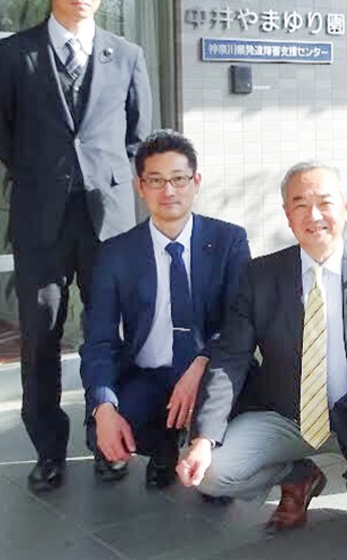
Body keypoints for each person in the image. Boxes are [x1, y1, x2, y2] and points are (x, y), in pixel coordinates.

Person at [178, 163, 347, 533]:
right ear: (287, 214)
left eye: (324, 203)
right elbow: (230, 360)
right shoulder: (259, 276)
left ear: (345, 207)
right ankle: (298, 475)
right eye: (300, 204)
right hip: (287, 418)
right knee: (212, 474)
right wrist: (203, 440)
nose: (313, 216)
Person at [0, 0, 153, 492]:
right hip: (41, 220)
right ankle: (48, 450)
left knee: (110, 334)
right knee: (40, 337)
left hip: (108, 219)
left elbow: (138, 137)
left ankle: (108, 441)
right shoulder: (14, 54)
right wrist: (43, 175)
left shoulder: (126, 54)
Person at [79, 130, 250, 488]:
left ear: (196, 182)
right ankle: (164, 446)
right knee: (102, 431)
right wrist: (104, 407)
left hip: (211, 369)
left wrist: (201, 363)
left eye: (178, 179)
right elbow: (99, 339)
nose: (168, 191)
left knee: (218, 480)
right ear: (140, 187)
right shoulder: (116, 253)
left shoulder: (228, 240)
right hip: (148, 373)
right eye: (155, 181)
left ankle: (201, 443)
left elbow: (239, 322)